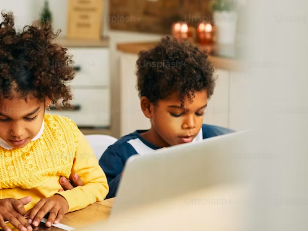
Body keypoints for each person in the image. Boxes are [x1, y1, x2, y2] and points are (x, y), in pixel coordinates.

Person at [0, 12, 108, 231]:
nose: (17, 131)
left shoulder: (67, 134)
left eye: (30, 117)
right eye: (3, 118)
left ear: (47, 100)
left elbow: (98, 185)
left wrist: (65, 200)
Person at [99, 36, 234, 198]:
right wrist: (134, 175)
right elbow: (100, 201)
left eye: (199, 113)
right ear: (148, 107)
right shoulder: (122, 154)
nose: (191, 124)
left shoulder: (214, 138)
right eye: (177, 113)